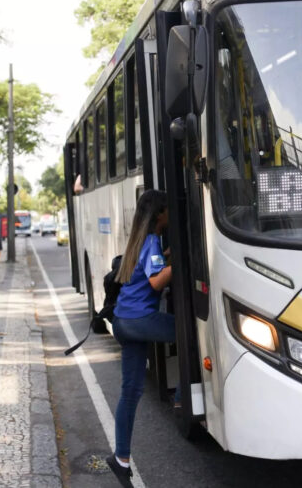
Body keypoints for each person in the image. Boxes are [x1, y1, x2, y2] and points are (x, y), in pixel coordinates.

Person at [106, 190, 177, 488]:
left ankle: (121, 459)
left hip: (123, 321)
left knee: (131, 391)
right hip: (138, 321)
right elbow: (157, 280)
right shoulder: (151, 242)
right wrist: (183, 260)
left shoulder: (140, 241)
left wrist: (168, 257)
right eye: (168, 210)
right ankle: (182, 397)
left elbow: (154, 266)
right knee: (195, 334)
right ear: (160, 214)